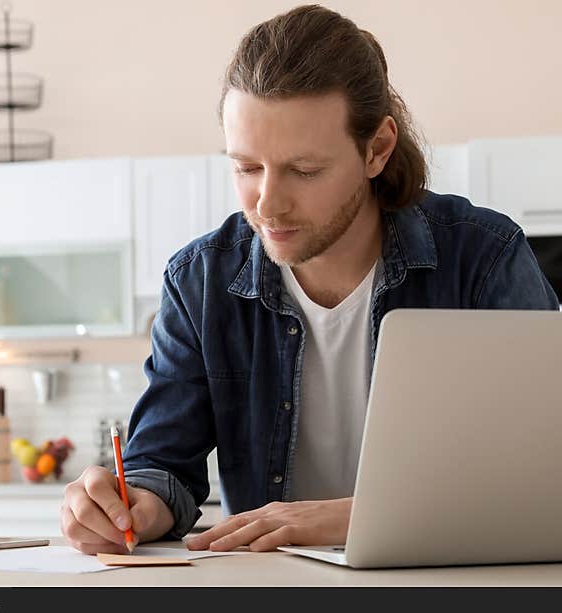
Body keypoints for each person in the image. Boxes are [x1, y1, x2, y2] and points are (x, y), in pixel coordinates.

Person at [60, 4, 559, 555]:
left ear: (377, 149)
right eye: (246, 167)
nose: (268, 204)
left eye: (304, 170)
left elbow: (543, 471)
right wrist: (128, 508)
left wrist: (356, 519)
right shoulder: (198, 281)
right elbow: (163, 468)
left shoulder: (484, 259)